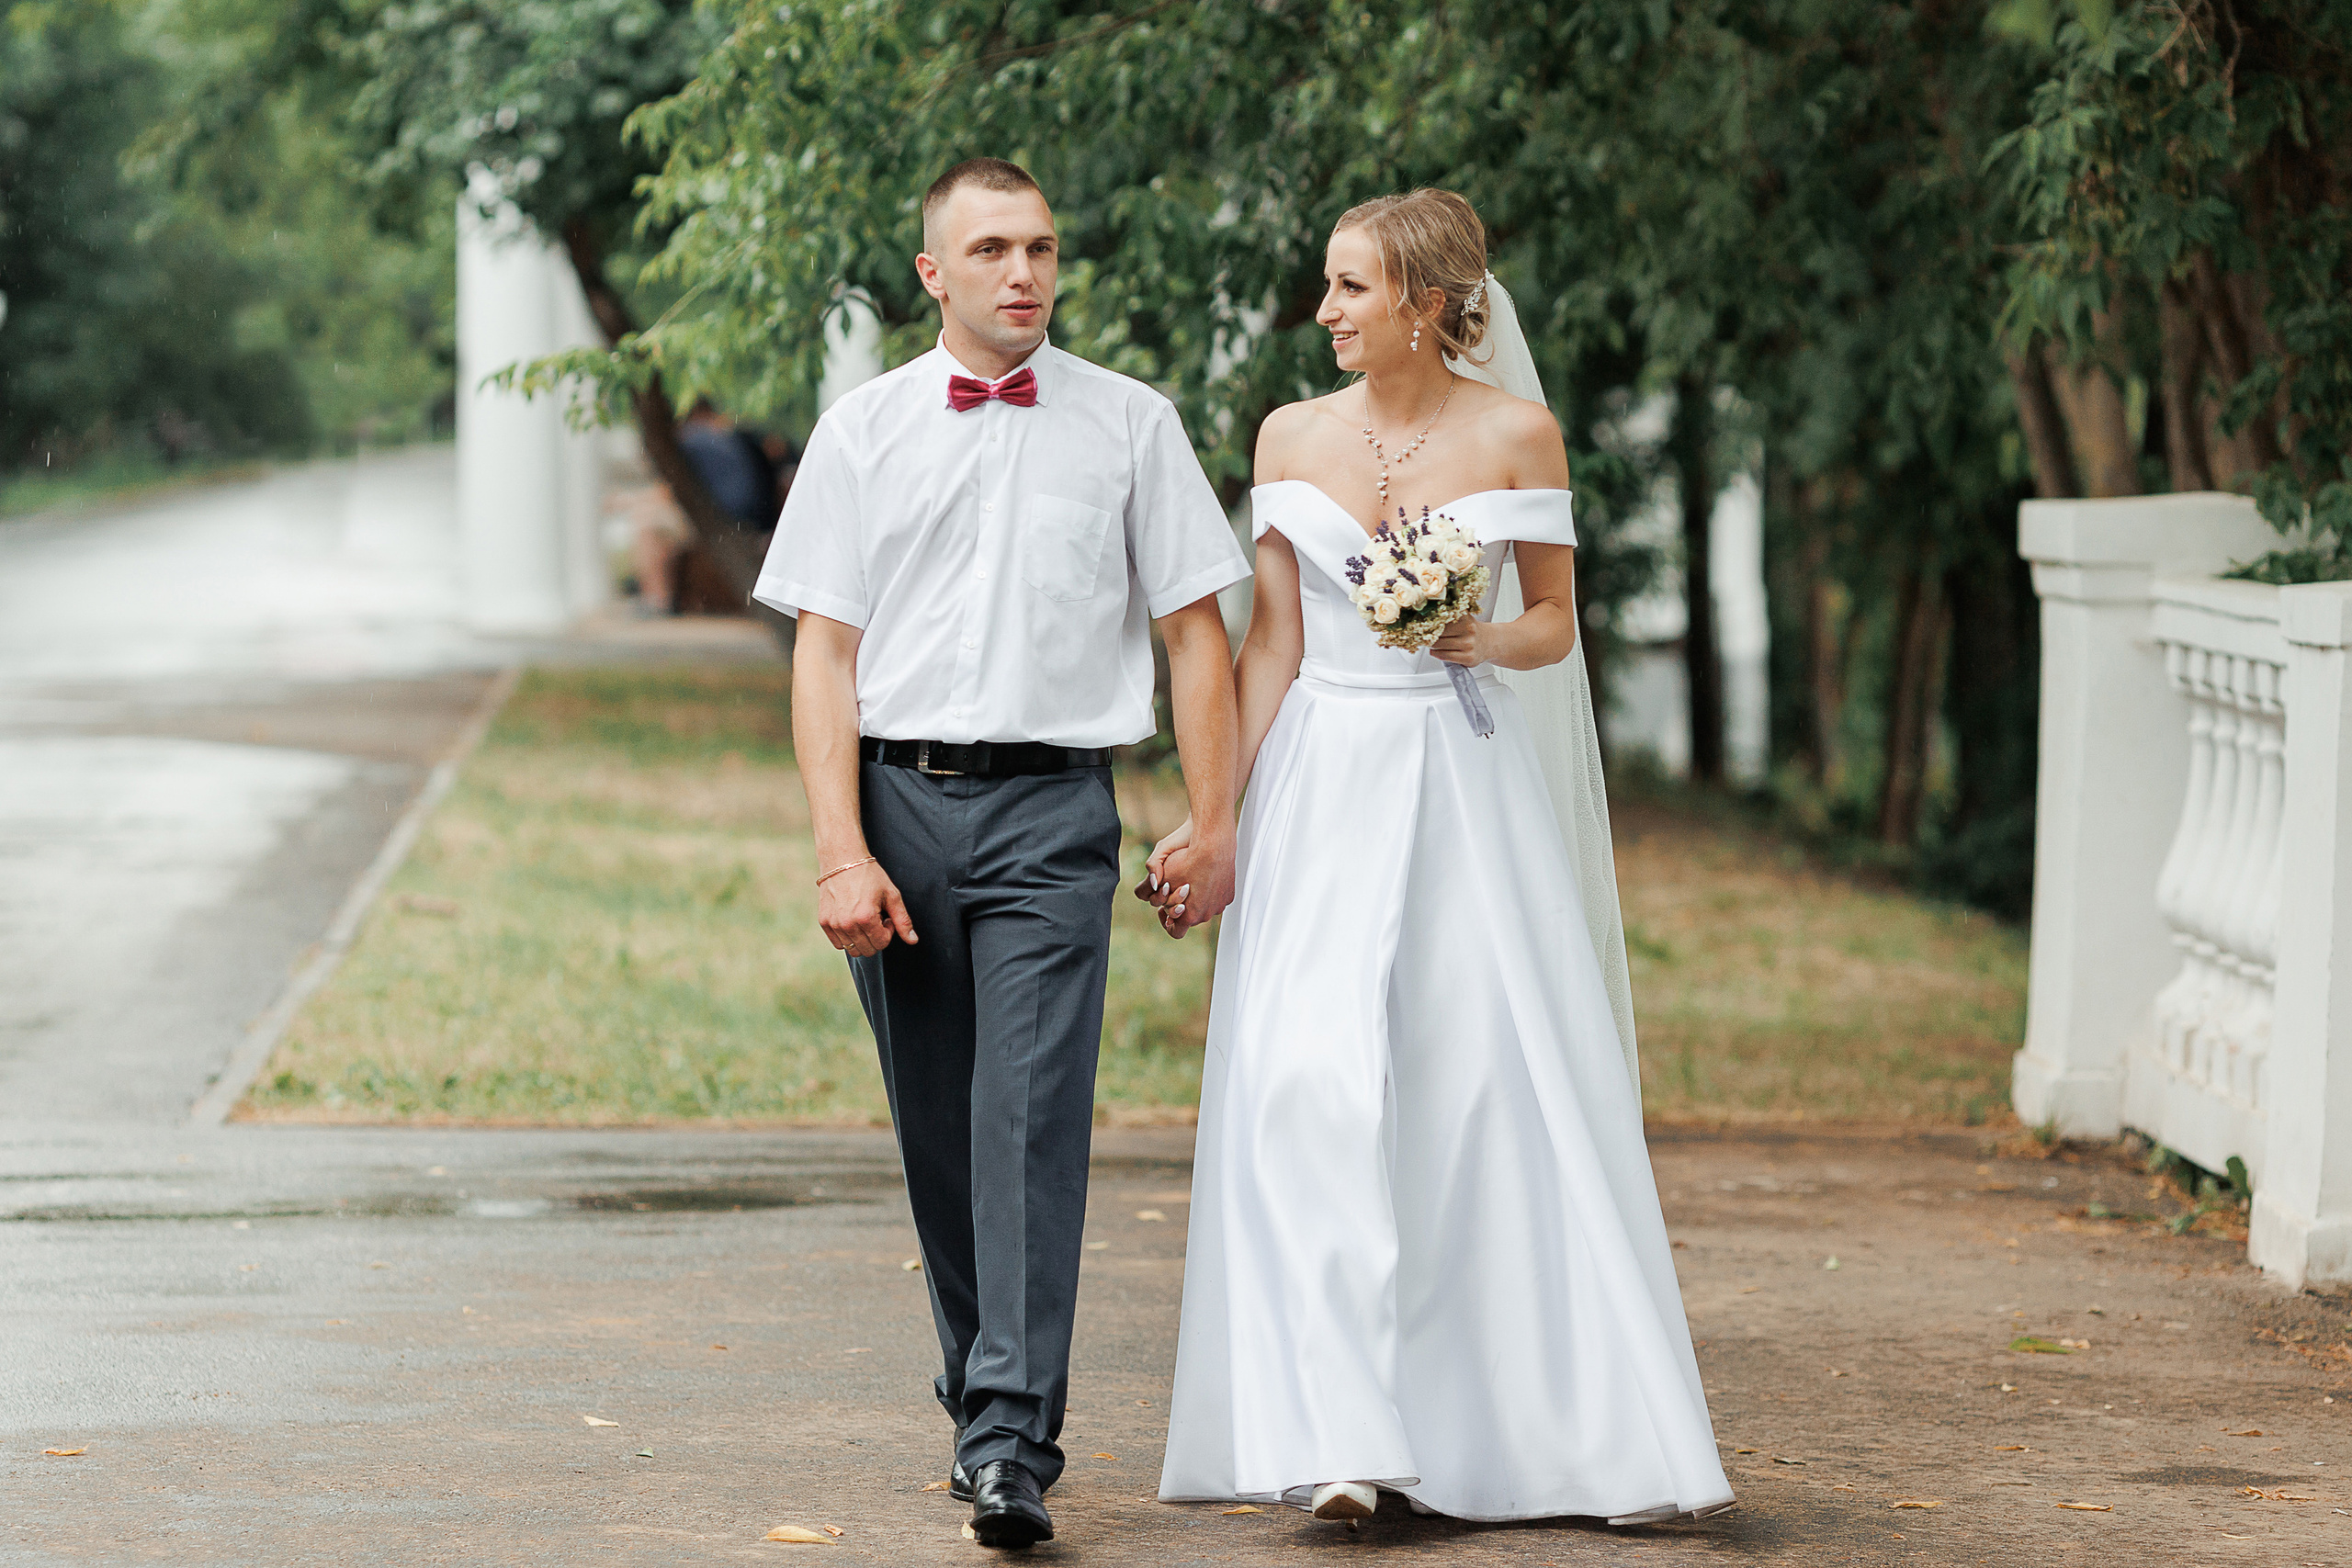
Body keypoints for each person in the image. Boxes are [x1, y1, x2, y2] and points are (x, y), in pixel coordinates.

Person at [1148, 189, 1735, 1526]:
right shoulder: (1290, 433)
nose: (1327, 312)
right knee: (1307, 1082)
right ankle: (1339, 1435)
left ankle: (1493, 1420)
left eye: (1351, 288)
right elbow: (1274, 644)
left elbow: (1555, 628)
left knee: (1470, 1089)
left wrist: (1477, 639)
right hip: (1321, 782)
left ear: (1426, 299)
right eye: (1327, 286)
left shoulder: (1516, 432)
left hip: (1459, 784)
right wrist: (1220, 812)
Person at [755, 157, 1249, 1550]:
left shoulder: (1133, 426)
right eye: (989, 251)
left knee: (1026, 1118)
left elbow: (1196, 633)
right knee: (940, 1133)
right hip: (899, 805)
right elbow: (825, 655)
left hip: (1052, 815)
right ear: (935, 274)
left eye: (1038, 248)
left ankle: (1009, 1439)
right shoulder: (861, 431)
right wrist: (838, 850)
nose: (1021, 273)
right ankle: (987, 1397)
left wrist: (1216, 825)